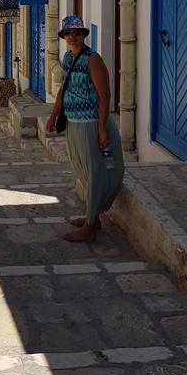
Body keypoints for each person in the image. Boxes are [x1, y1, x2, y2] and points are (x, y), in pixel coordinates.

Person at [46, 15, 124, 242]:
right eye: (68, 33)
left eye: (77, 32)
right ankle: (93, 217)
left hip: (90, 124)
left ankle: (90, 225)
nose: (72, 36)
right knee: (83, 171)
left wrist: (101, 130)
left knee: (94, 171)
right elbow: (63, 89)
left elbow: (104, 96)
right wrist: (53, 116)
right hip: (73, 122)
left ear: (83, 35)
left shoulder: (93, 60)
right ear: (63, 37)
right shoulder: (68, 58)